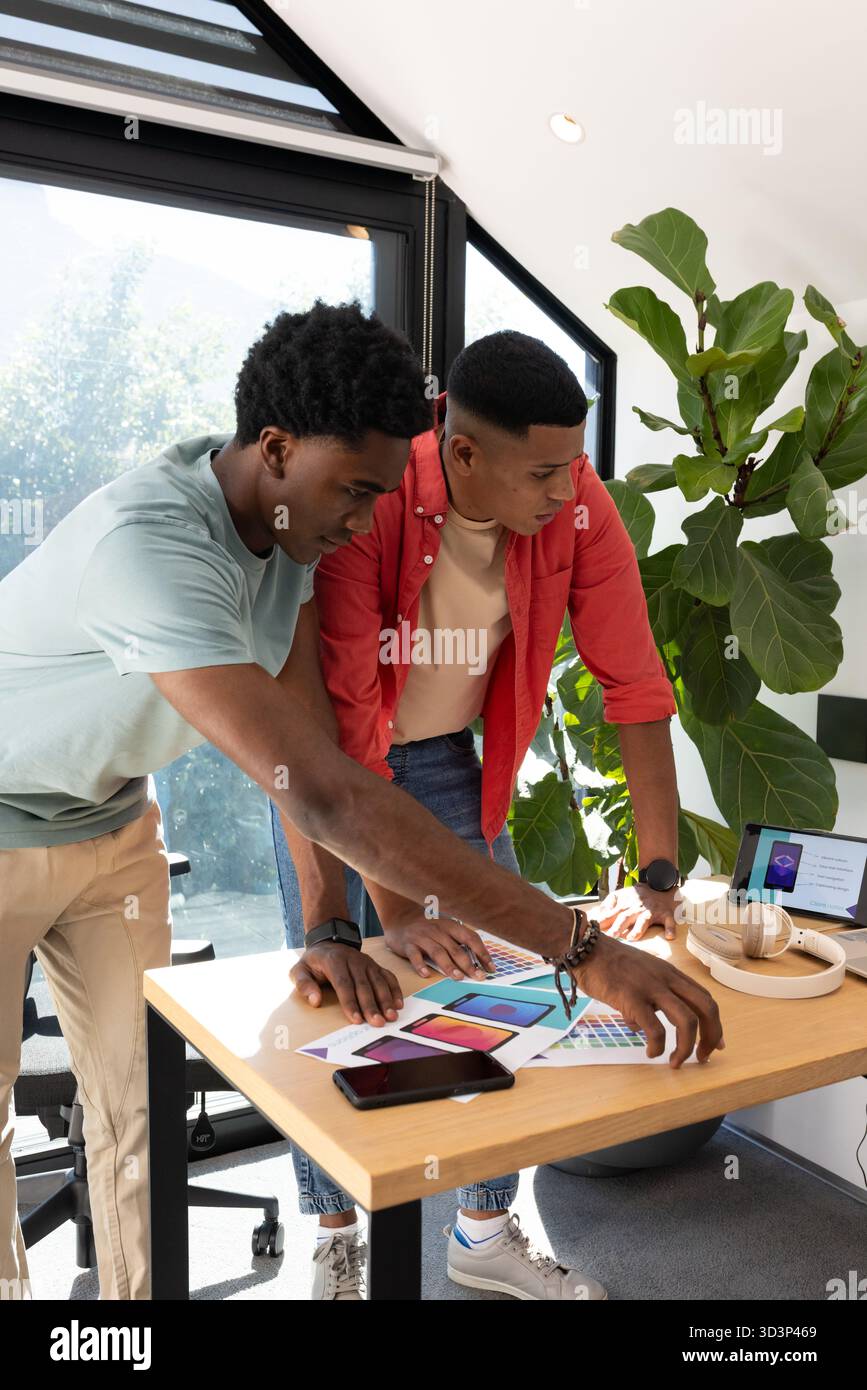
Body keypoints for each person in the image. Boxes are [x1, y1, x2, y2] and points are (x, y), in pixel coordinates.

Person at [0, 303, 722, 1303]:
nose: (368, 519)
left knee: (137, 1113)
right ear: (279, 446)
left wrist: (345, 918)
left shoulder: (296, 531)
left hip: (114, 820)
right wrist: (582, 947)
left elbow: (323, 744)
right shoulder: (155, 548)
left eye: (383, 491)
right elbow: (329, 789)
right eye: (356, 491)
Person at [272, 330, 708, 1300]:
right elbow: (341, 744)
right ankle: (337, 1238)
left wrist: (662, 876)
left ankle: (481, 1230)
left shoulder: (577, 506)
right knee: (342, 996)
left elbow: (633, 684)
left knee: (505, 985)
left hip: (458, 763)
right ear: (464, 452)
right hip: (329, 762)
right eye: (545, 471)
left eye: (576, 467)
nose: (567, 492)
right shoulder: (377, 502)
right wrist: (396, 909)